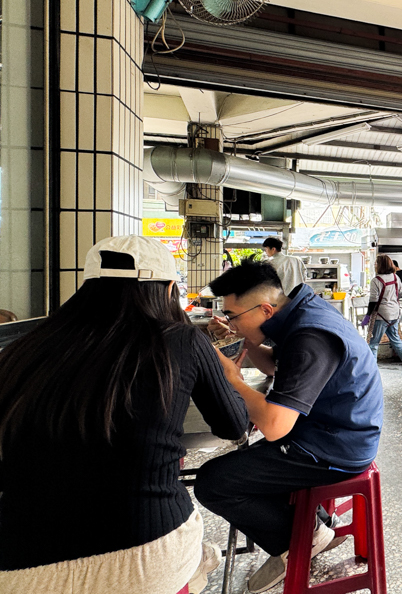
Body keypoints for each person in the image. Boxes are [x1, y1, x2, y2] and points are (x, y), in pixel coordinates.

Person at [0, 235, 248, 594]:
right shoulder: (182, 341)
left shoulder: (26, 348)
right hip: (145, 553)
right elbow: (233, 425)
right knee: (199, 551)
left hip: (19, 566)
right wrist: (233, 379)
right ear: (166, 289)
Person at [198, 261, 384, 593]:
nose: (230, 322)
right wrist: (247, 339)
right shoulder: (301, 311)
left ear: (265, 309)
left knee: (214, 482)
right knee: (248, 465)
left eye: (234, 316)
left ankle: (301, 540)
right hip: (330, 428)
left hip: (336, 446)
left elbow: (274, 426)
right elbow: (275, 368)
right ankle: (310, 525)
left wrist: (234, 381)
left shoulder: (310, 336)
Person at [362, 254, 402, 377]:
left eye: (376, 262)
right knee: (396, 339)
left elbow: (373, 301)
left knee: (373, 343)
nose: (374, 264)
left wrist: (368, 315)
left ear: (380, 265)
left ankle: (372, 372)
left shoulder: (376, 280)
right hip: (395, 313)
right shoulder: (395, 277)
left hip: (382, 315)